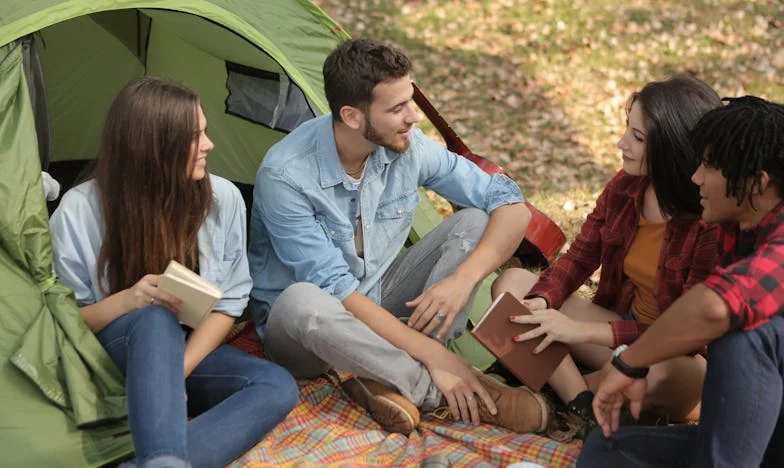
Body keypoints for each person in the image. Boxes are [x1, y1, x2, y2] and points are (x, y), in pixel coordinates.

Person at [247, 38, 548, 436]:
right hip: (306, 335)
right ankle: (443, 389)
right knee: (304, 301)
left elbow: (510, 204)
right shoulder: (285, 176)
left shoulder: (408, 147)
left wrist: (462, 280)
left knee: (474, 222)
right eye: (397, 108)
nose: (414, 117)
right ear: (353, 117)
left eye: (410, 101)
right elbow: (338, 293)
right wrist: (438, 357)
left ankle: (382, 375)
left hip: (379, 301)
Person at [49, 77, 298, 468]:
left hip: (183, 353)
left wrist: (173, 375)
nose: (209, 145)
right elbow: (64, 323)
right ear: (153, 147)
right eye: (194, 137)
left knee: (276, 385)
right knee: (152, 316)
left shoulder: (224, 200)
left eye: (205, 132)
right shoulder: (78, 212)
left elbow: (228, 304)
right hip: (108, 357)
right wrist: (129, 300)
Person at [492, 76, 722, 432]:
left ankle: (546, 400)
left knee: (655, 369)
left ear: (673, 149)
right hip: (616, 330)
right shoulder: (624, 186)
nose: (621, 143)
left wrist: (578, 332)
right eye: (627, 130)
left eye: (638, 138)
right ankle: (580, 406)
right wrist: (543, 300)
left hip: (678, 361)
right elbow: (580, 257)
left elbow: (686, 331)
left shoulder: (711, 222)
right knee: (515, 284)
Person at [577, 95, 784, 467]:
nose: (696, 177)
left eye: (709, 166)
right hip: (759, 433)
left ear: (758, 183)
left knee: (745, 336)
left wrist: (630, 364)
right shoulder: (736, 228)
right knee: (606, 450)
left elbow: (712, 307)